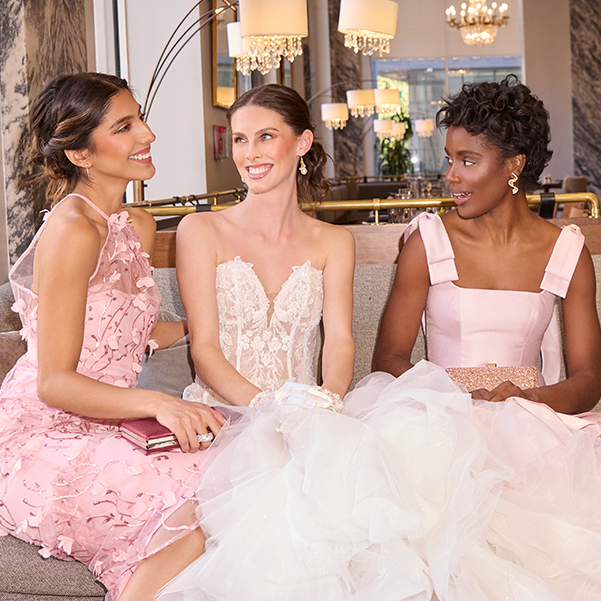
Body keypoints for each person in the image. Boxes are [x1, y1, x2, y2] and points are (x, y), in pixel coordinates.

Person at [156, 84, 434, 600]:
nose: (250, 153)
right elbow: (205, 349)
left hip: (311, 416)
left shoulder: (335, 241)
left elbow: (340, 341)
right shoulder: (201, 230)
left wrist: (327, 401)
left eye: (265, 136)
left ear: (302, 143)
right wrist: (267, 409)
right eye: (240, 140)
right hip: (224, 417)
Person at [341, 76, 601, 599]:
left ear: (514, 165)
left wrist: (528, 399)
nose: (451, 176)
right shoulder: (427, 240)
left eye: (468, 160)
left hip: (531, 422)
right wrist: (449, 395)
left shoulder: (568, 253)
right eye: (449, 159)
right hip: (435, 418)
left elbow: (590, 379)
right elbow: (388, 357)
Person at [0, 72, 227, 601]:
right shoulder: (72, 229)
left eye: (139, 118)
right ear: (80, 154)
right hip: (42, 435)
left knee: (246, 469)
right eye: (124, 127)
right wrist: (160, 402)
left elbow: (126, 332)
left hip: (110, 422)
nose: (147, 134)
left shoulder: (134, 225)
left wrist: (212, 328)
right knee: (203, 506)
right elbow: (55, 382)